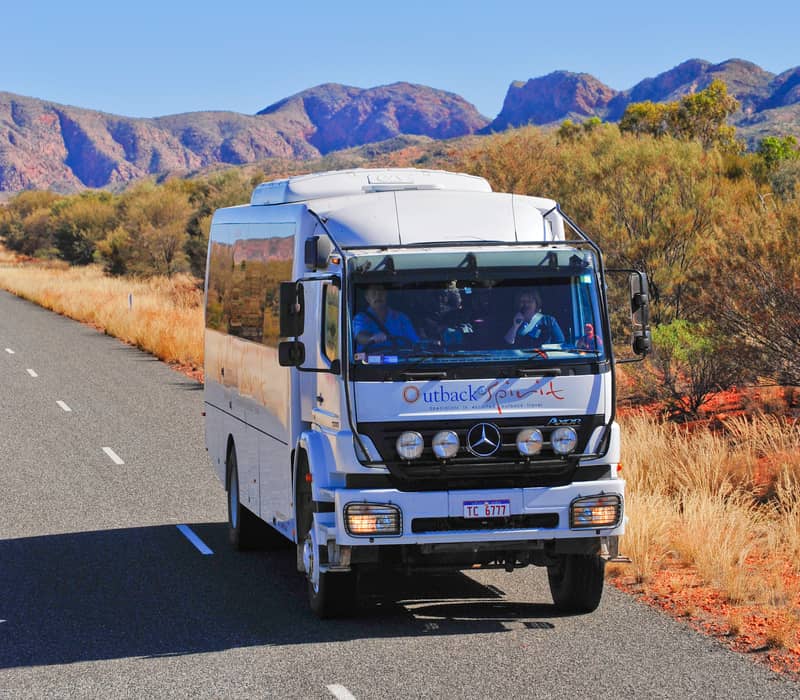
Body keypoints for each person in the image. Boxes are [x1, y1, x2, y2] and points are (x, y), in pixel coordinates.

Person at [353, 284, 419, 352]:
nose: (378, 296)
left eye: (381, 292)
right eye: (373, 293)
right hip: (370, 360)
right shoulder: (360, 318)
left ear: (386, 295)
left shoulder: (401, 318)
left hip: (401, 359)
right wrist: (372, 338)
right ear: (367, 298)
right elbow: (359, 337)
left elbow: (414, 342)